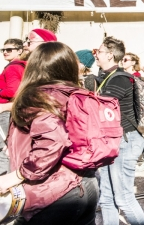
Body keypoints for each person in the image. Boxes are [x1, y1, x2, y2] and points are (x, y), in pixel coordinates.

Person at [0, 42, 98, 224]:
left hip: (52, 191)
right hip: (87, 184)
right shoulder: (78, 93)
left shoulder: (36, 96)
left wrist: (15, 176)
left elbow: (53, 141)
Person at [95, 36, 144, 225]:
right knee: (107, 198)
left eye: (98, 52)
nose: (96, 55)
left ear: (109, 55)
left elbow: (99, 109)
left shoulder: (120, 79)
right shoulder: (107, 77)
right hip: (111, 141)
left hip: (125, 141)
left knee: (124, 198)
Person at [0, 39, 25, 175]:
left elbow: (13, 90)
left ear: (19, 51)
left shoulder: (12, 67)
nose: (5, 52)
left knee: (3, 149)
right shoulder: (21, 66)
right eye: (3, 50)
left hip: (4, 110)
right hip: (13, 109)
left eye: (9, 50)